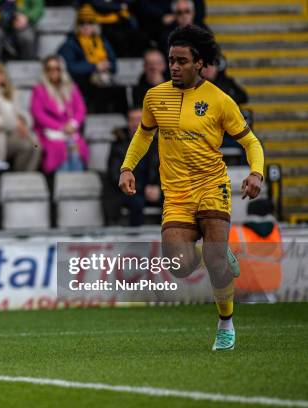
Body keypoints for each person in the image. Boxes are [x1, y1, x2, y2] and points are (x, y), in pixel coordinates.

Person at [118, 25, 264, 351]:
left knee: (213, 263)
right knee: (178, 265)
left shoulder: (220, 101)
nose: (173, 66)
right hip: (177, 195)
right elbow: (144, 134)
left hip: (212, 186)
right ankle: (219, 252)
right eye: (171, 60)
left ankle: (225, 324)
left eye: (181, 61)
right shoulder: (155, 97)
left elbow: (251, 142)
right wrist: (128, 167)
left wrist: (256, 174)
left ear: (199, 63)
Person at [58, 7, 125, 113]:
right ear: (77, 25)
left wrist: (106, 67)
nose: (86, 26)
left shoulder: (102, 41)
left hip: (103, 80)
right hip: (81, 82)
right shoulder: (70, 44)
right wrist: (94, 66)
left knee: (120, 90)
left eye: (89, 22)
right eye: (82, 23)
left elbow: (114, 65)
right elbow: (69, 67)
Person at [30, 55, 88, 173]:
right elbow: (38, 114)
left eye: (57, 68)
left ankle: (77, 181)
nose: (53, 72)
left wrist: (73, 124)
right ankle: (63, 182)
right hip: (48, 132)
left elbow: (80, 109)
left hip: (70, 130)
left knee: (77, 146)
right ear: (45, 71)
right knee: (59, 147)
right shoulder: (39, 89)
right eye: (50, 69)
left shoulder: (71, 87)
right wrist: (60, 127)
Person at [107, 107, 161, 226]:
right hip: (128, 191)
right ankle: (136, 241)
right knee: (136, 202)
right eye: (132, 120)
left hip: (151, 189)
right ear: (128, 123)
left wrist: (157, 188)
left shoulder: (157, 143)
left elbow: (164, 170)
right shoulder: (119, 145)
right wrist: (142, 189)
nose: (136, 123)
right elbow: (114, 175)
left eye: (139, 119)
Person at [76, 0, 150, 57]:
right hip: (99, 23)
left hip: (119, 22)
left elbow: (128, 3)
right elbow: (99, 6)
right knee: (117, 37)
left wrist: (115, 6)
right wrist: (118, 6)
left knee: (139, 37)